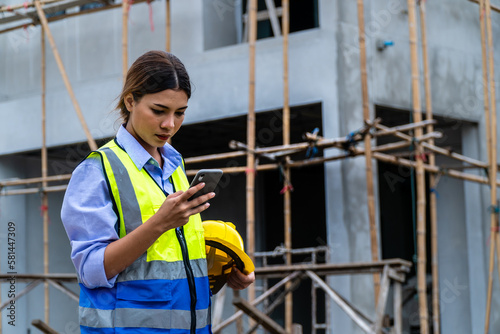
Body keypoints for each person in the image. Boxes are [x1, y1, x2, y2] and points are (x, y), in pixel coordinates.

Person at [61, 50, 255, 334]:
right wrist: (160, 223)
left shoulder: (175, 166)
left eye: (180, 113)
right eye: (159, 110)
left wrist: (224, 269)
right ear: (130, 101)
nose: (170, 125)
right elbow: (91, 271)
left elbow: (164, 263)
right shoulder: (97, 170)